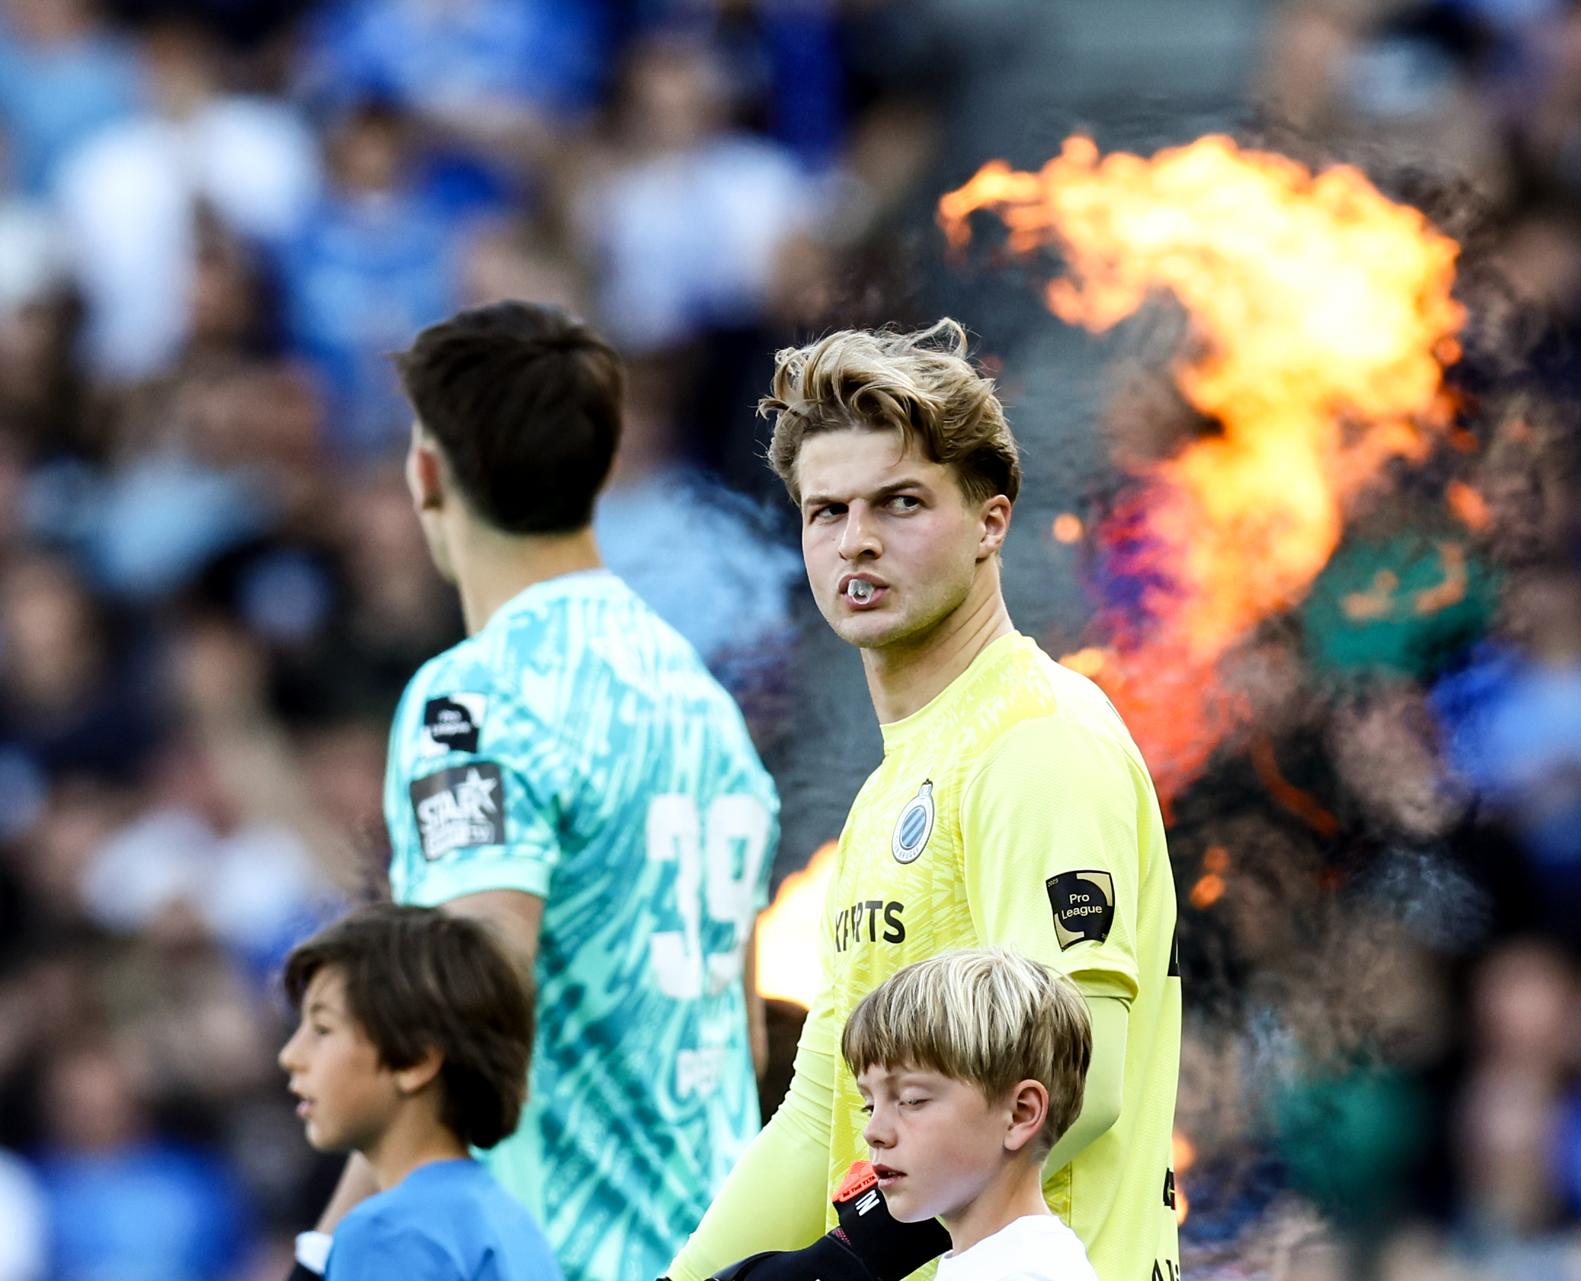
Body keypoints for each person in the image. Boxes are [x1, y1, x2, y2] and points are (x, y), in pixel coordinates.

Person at [668, 320, 1180, 1281]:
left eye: (899, 503)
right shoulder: (891, 789)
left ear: (991, 521)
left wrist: (840, 1266)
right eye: (827, 512)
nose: (857, 538)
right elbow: (820, 1110)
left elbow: (1081, 1085)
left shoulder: (1038, 739)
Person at [296, 301, 781, 1281]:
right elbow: (749, 1037)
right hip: (718, 1253)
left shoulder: (472, 699)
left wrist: (324, 1250)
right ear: (599, 469)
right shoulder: (698, 701)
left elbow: (470, 995)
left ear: (427, 472)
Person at [279, 903, 560, 1279]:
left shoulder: (385, 1233)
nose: (290, 1056)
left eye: (323, 1029)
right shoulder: (511, 1220)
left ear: (415, 1061)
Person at [844, 948, 1098, 1281]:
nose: (873, 1131)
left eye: (911, 1100)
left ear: (1021, 1114)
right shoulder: (994, 1262)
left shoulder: (1028, 1273)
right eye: (870, 1105)